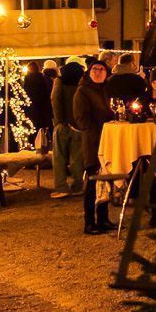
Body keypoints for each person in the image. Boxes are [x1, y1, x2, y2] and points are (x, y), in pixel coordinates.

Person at [75, 58, 116, 233]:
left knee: (106, 180)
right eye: (95, 69)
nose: (98, 72)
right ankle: (90, 222)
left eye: (101, 69)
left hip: (108, 141)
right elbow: (81, 118)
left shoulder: (107, 90)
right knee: (92, 182)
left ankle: (104, 218)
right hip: (93, 142)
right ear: (89, 72)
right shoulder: (83, 91)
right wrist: (98, 133)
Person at [50, 60, 84, 198]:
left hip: (62, 125)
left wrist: (59, 121)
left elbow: (55, 100)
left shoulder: (59, 82)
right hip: (78, 125)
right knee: (77, 158)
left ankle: (61, 187)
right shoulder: (81, 84)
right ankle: (78, 186)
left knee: (59, 157)